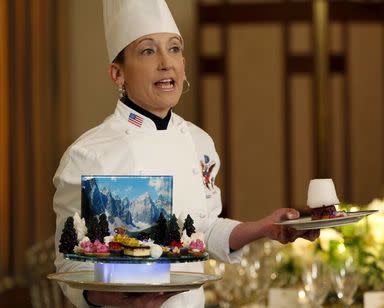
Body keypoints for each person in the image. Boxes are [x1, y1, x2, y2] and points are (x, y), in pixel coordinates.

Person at [53, 1, 319, 307]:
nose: (167, 62)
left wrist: (263, 228)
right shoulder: (88, 154)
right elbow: (69, 265)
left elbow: (201, 232)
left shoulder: (198, 141)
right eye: (148, 51)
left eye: (175, 49)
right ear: (117, 74)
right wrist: (119, 300)